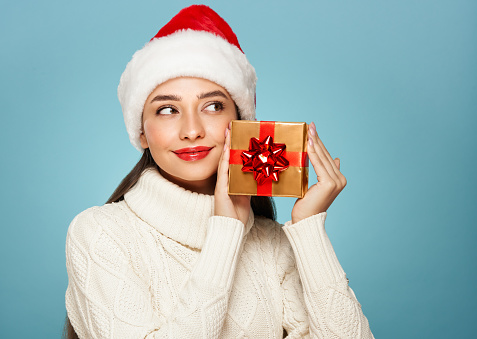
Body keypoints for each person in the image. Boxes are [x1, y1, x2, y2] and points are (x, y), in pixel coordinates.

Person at [64, 4, 374, 339]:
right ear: (141, 131)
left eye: (213, 106)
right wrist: (225, 231)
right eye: (167, 109)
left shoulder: (272, 243)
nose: (192, 130)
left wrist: (309, 229)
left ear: (242, 124)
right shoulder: (100, 233)